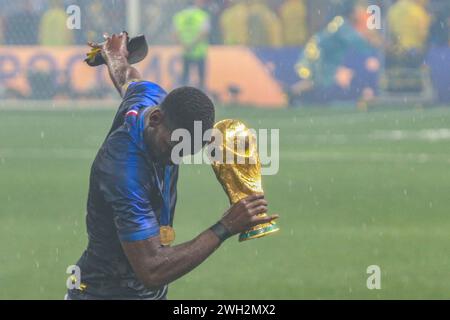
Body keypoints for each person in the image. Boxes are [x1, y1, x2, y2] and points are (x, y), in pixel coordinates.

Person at [66, 32, 278, 300]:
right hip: (105, 293)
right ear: (155, 119)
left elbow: (127, 77)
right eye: (172, 148)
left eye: (186, 152)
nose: (174, 159)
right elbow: (152, 269)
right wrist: (225, 226)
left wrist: (114, 55)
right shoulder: (124, 170)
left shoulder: (151, 97)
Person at [173, 0, 211, 90]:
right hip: (199, 51)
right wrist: (193, 44)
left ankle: (184, 96)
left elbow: (175, 34)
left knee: (185, 76)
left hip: (185, 51)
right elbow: (204, 33)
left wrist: (185, 44)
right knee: (201, 77)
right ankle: (201, 96)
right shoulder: (202, 15)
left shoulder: (179, 16)